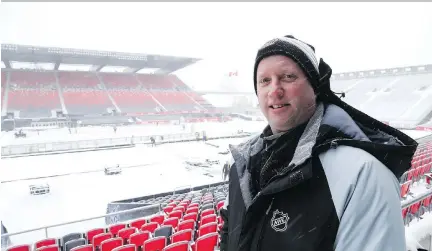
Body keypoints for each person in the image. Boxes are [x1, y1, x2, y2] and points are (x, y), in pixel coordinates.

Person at [219, 35, 418, 251]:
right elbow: (228, 236)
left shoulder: (362, 173)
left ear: (315, 87)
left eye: (287, 77)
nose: (274, 91)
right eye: (264, 80)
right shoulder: (242, 167)